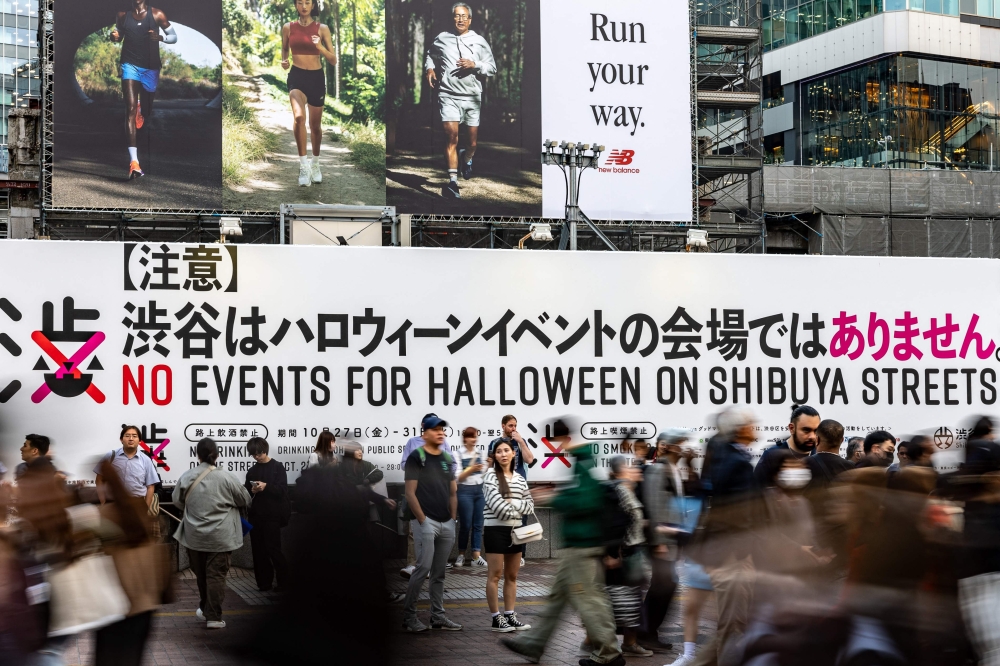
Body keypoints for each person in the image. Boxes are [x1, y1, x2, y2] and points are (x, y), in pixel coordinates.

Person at [501, 418, 624, 666]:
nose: (556, 446)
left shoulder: (584, 461)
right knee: (557, 598)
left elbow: (586, 501)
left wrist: (554, 498)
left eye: (556, 441)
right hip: (576, 544)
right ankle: (533, 643)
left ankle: (608, 654)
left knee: (589, 599)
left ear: (564, 438)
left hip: (583, 544)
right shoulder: (582, 461)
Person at [690, 407, 758, 666]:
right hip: (733, 554)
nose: (754, 426)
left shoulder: (721, 453)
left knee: (733, 622)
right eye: (750, 423)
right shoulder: (737, 462)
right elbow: (740, 512)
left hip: (724, 551)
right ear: (740, 429)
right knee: (734, 624)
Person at [172, 438, 251, 629]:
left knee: (201, 575)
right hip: (221, 536)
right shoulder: (227, 477)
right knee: (216, 575)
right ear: (216, 455)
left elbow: (177, 501)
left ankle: (205, 608)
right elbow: (245, 499)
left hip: (194, 536)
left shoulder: (187, 476)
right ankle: (213, 616)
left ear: (197, 455)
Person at [424, 1, 497, 199]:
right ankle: (452, 183)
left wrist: (475, 65)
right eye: (457, 15)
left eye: (464, 16)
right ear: (452, 18)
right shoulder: (442, 38)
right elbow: (430, 54)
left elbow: (492, 68)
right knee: (451, 138)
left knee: (472, 143)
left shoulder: (479, 41)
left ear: (470, 20)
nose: (460, 19)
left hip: (472, 97)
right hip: (448, 95)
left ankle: (467, 157)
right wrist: (430, 69)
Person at [401, 414, 463, 633]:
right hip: (426, 521)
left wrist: (452, 519)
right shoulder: (416, 456)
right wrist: (422, 520)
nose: (440, 433)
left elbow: (453, 491)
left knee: (439, 573)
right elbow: (410, 493)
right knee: (422, 569)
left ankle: (438, 616)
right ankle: (409, 617)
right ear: (425, 433)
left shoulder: (446, 458)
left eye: (442, 429)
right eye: (435, 429)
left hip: (446, 522)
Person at [110, 0, 175, 179]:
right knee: (129, 110)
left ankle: (142, 109)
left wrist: (160, 38)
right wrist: (114, 37)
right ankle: (134, 162)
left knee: (146, 110)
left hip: (151, 68)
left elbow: (173, 37)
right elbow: (118, 35)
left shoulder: (157, 14)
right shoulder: (122, 15)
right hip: (129, 64)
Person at [639, 429, 688, 651]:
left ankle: (647, 631)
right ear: (668, 446)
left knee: (664, 584)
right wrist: (658, 541)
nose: (683, 447)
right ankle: (645, 632)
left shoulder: (674, 469)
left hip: (671, 538)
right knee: (664, 584)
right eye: (679, 443)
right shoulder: (658, 470)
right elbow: (654, 505)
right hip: (661, 541)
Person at [280, 0, 337, 187]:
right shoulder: (288, 27)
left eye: (307, 3)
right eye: (300, 3)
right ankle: (303, 165)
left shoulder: (322, 28)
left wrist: (320, 47)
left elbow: (333, 60)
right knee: (299, 117)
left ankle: (316, 163)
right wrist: (284, 61)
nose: (303, 6)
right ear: (296, 5)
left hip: (316, 79)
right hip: (296, 77)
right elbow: (285, 48)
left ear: (313, 6)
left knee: (316, 127)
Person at [604, 455, 653, 657]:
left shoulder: (629, 490)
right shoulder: (621, 492)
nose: (636, 470)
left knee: (629, 599)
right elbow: (616, 524)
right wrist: (614, 552)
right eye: (629, 467)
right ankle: (620, 643)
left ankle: (627, 642)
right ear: (619, 473)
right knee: (625, 600)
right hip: (625, 553)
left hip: (632, 551)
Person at [482, 439, 533, 633]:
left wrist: (513, 503)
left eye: (506, 450)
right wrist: (517, 507)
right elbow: (497, 508)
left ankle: (510, 615)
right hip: (495, 530)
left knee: (512, 576)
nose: (503, 454)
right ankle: (496, 618)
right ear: (494, 456)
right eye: (499, 451)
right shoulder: (490, 476)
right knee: (495, 575)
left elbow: (530, 505)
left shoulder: (520, 478)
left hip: (516, 531)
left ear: (513, 454)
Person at [399, 413, 453, 578]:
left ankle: (431, 565)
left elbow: (452, 464)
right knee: (415, 531)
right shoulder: (413, 442)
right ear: (423, 426)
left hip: (438, 494)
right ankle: (413, 564)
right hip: (418, 492)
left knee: (437, 532)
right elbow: (404, 464)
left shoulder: (443, 443)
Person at [488, 414, 536, 566]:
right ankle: (503, 553)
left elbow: (529, 459)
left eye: (515, 425)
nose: (513, 428)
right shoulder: (494, 443)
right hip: (501, 486)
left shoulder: (520, 441)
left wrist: (521, 441)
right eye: (510, 425)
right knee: (503, 519)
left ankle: (520, 554)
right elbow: (490, 465)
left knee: (521, 521)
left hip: (519, 486)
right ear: (503, 426)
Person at [244, 436, 289, 593]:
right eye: (253, 455)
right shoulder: (252, 471)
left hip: (272, 516)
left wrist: (266, 486)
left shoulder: (277, 467)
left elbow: (283, 490)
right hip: (256, 516)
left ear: (265, 451)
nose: (256, 457)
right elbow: (246, 494)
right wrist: (253, 490)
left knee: (274, 550)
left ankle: (283, 582)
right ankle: (264, 583)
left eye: (259, 454)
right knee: (258, 551)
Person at [94, 425, 159, 509]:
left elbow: (150, 486)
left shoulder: (146, 460)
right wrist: (103, 501)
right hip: (114, 503)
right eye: (127, 436)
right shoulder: (111, 456)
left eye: (134, 436)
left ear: (140, 441)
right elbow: (99, 479)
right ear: (121, 439)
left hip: (137, 504)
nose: (131, 439)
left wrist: (145, 508)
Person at [754, 404, 820, 485]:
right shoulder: (771, 456)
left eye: (816, 431)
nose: (812, 436)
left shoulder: (820, 455)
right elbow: (756, 489)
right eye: (806, 430)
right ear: (792, 428)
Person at [455, 426, 487, 567]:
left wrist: (487, 466)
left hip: (480, 490)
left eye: (475, 437)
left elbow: (483, 473)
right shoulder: (458, 454)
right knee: (466, 524)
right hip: (464, 491)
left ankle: (476, 556)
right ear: (465, 439)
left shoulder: (480, 452)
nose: (474, 439)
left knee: (478, 524)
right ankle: (461, 554)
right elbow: (458, 477)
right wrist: (472, 469)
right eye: (471, 436)